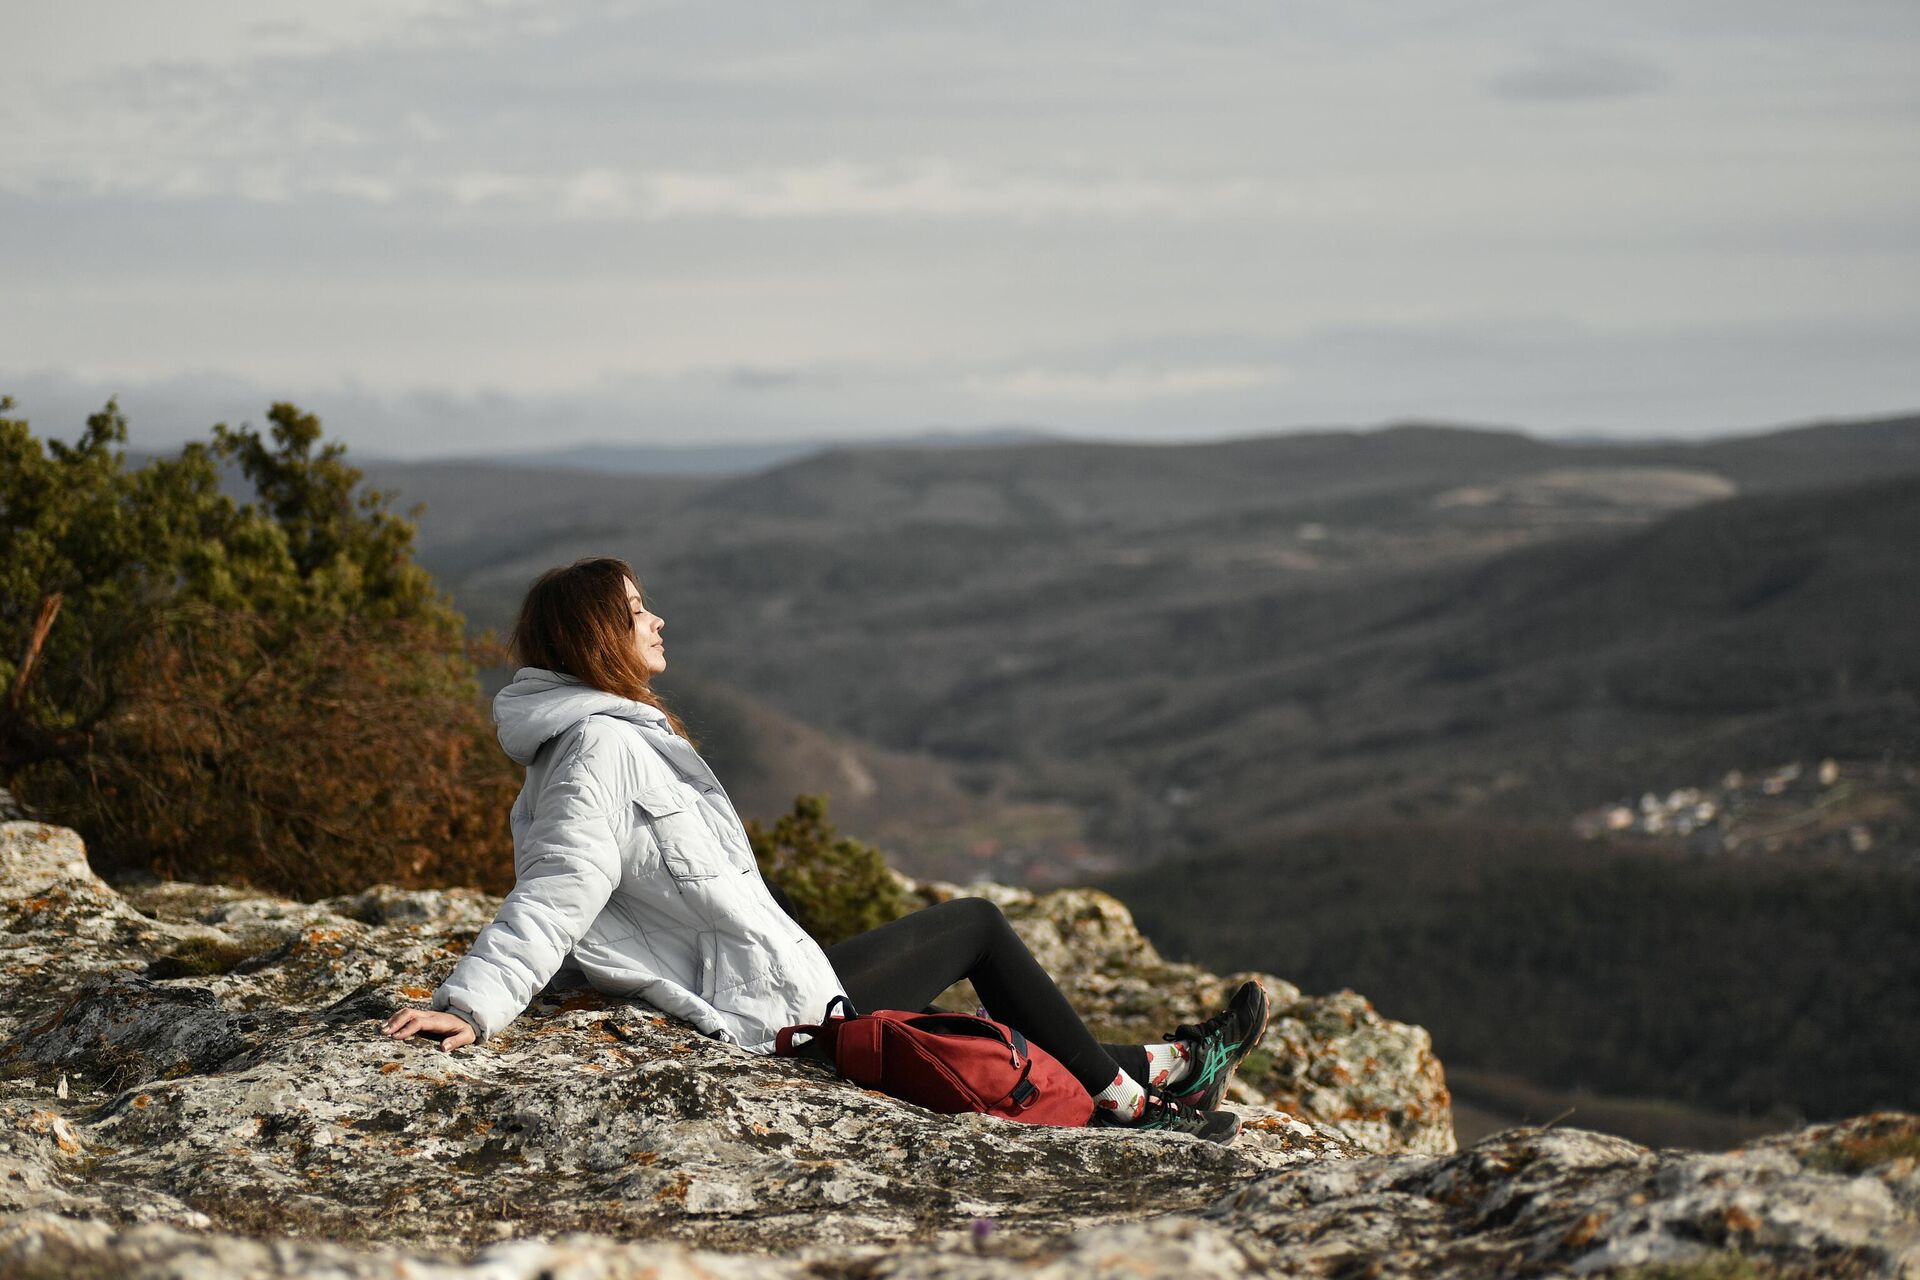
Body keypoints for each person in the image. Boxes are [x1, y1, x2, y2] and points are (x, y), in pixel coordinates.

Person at [381, 557, 1269, 1143]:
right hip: (772, 1029)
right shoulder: (596, 753)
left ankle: (1177, 1063)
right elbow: (556, 892)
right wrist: (472, 1002)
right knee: (980, 929)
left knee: (995, 1024)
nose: (658, 620)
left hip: (774, 990)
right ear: (594, 638)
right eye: (636, 610)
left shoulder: (607, 740)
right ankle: (1136, 1109)